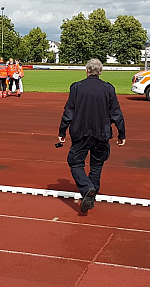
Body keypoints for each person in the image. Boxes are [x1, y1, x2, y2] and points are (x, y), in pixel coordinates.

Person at [58, 58, 125, 213]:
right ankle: (91, 195)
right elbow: (116, 113)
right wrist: (122, 133)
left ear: (86, 70)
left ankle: (87, 188)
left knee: (75, 162)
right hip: (102, 133)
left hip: (80, 132)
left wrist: (62, 131)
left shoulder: (76, 87)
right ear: (100, 72)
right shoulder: (108, 88)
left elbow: (68, 112)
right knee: (96, 165)